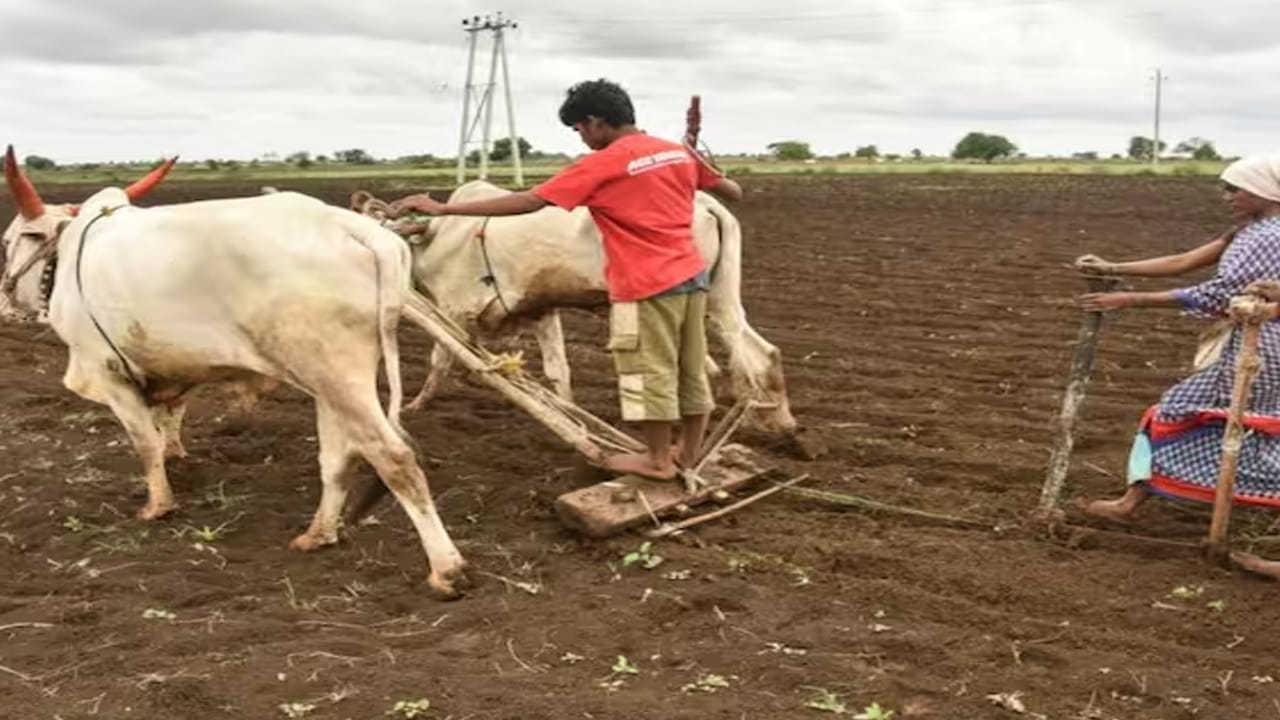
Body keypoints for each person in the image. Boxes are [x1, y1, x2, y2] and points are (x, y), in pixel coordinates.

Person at [388, 78, 743, 482]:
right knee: (690, 368)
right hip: (691, 277)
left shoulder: (603, 163)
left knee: (651, 373)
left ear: (596, 122)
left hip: (646, 285)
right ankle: (688, 453)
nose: (582, 139)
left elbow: (530, 201)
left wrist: (443, 209)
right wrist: (697, 156)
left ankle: (659, 461)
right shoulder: (672, 151)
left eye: (579, 129)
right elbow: (734, 192)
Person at [1076, 153, 1280, 525]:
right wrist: (1112, 268)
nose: (1227, 196)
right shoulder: (1245, 232)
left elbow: (1223, 293)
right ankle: (1142, 500)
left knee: (1184, 414)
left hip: (1263, 345)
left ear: (1262, 191)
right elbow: (1182, 261)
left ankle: (1132, 503)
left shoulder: (1270, 236)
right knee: (1238, 422)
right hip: (1253, 341)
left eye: (1235, 189)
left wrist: (1131, 299)